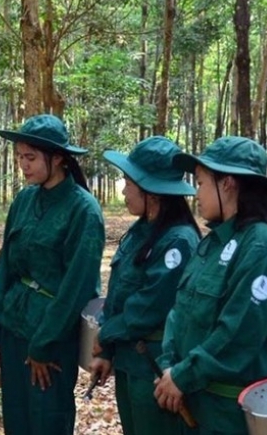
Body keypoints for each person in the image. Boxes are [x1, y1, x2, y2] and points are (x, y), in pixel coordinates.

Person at [154, 136, 267, 435]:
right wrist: (169, 367)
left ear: (227, 184)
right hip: (192, 397)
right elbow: (179, 311)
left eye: (202, 183)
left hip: (228, 410)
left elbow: (239, 331)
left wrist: (182, 374)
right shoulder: (213, 242)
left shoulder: (260, 245)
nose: (196, 193)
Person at [0, 114, 105, 435]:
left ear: (59, 158)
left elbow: (78, 287)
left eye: (31, 158)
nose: (23, 165)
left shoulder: (83, 210)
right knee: (17, 418)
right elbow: (5, 266)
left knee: (48, 417)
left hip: (52, 335)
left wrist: (44, 343)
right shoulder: (24, 200)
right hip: (14, 325)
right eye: (20, 157)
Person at [88, 136, 201, 435]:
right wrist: (108, 352)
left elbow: (149, 306)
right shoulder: (142, 230)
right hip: (129, 361)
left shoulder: (178, 240)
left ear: (152, 191)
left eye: (128, 182)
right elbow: (119, 296)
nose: (124, 189)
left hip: (152, 367)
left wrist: (105, 335)